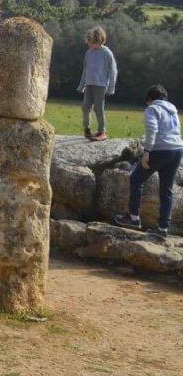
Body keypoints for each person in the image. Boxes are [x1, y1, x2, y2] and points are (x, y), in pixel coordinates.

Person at [114, 85, 183, 239]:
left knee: (136, 179)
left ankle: (133, 218)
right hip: (177, 150)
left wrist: (147, 152)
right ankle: (163, 228)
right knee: (167, 190)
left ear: (150, 99)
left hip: (160, 150)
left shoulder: (152, 109)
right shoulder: (173, 110)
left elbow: (152, 129)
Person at [78, 26, 117, 141]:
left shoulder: (107, 53)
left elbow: (113, 70)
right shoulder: (88, 53)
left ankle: (102, 131)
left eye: (91, 41)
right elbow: (85, 69)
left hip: (101, 85)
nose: (89, 43)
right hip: (89, 84)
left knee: (98, 108)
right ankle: (87, 129)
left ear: (99, 40)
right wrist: (81, 85)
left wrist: (111, 88)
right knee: (85, 107)